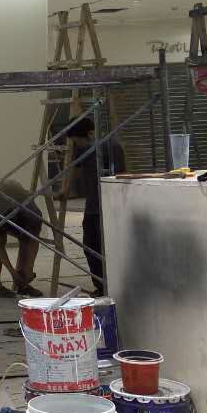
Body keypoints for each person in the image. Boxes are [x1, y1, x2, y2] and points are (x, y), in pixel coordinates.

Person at [66, 116, 127, 297]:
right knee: (90, 246)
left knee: (109, 247)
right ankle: (101, 285)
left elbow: (122, 175)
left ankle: (116, 286)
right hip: (92, 207)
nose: (77, 145)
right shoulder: (81, 149)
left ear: (91, 134)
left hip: (109, 206)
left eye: (79, 140)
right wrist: (65, 190)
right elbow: (75, 168)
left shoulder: (111, 147)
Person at [0, 178, 44, 298]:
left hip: (14, 196)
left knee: (26, 239)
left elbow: (33, 241)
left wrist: (29, 269)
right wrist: (13, 273)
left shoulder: (34, 216)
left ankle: (22, 284)